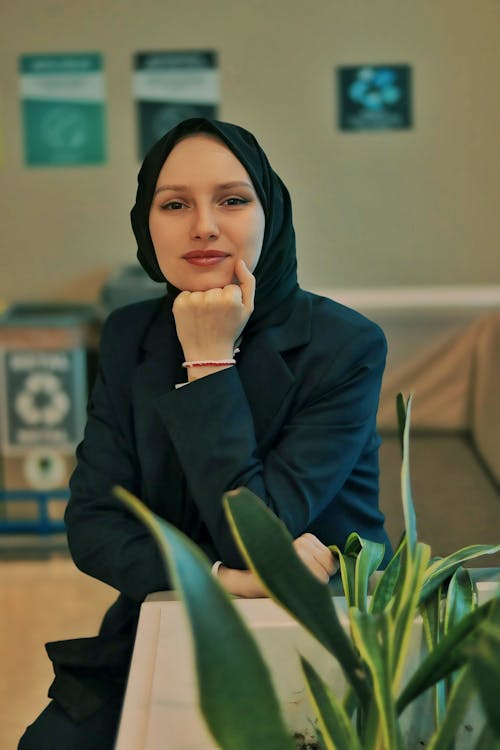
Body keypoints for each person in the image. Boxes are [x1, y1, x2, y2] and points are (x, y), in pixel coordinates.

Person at [19, 118, 391, 749]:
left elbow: (259, 541)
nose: (204, 226)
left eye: (232, 199)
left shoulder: (344, 346)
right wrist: (218, 578)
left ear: (269, 213)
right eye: (174, 204)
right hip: (164, 613)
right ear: (147, 224)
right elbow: (93, 527)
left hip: (321, 628)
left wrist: (210, 361)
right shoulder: (129, 335)